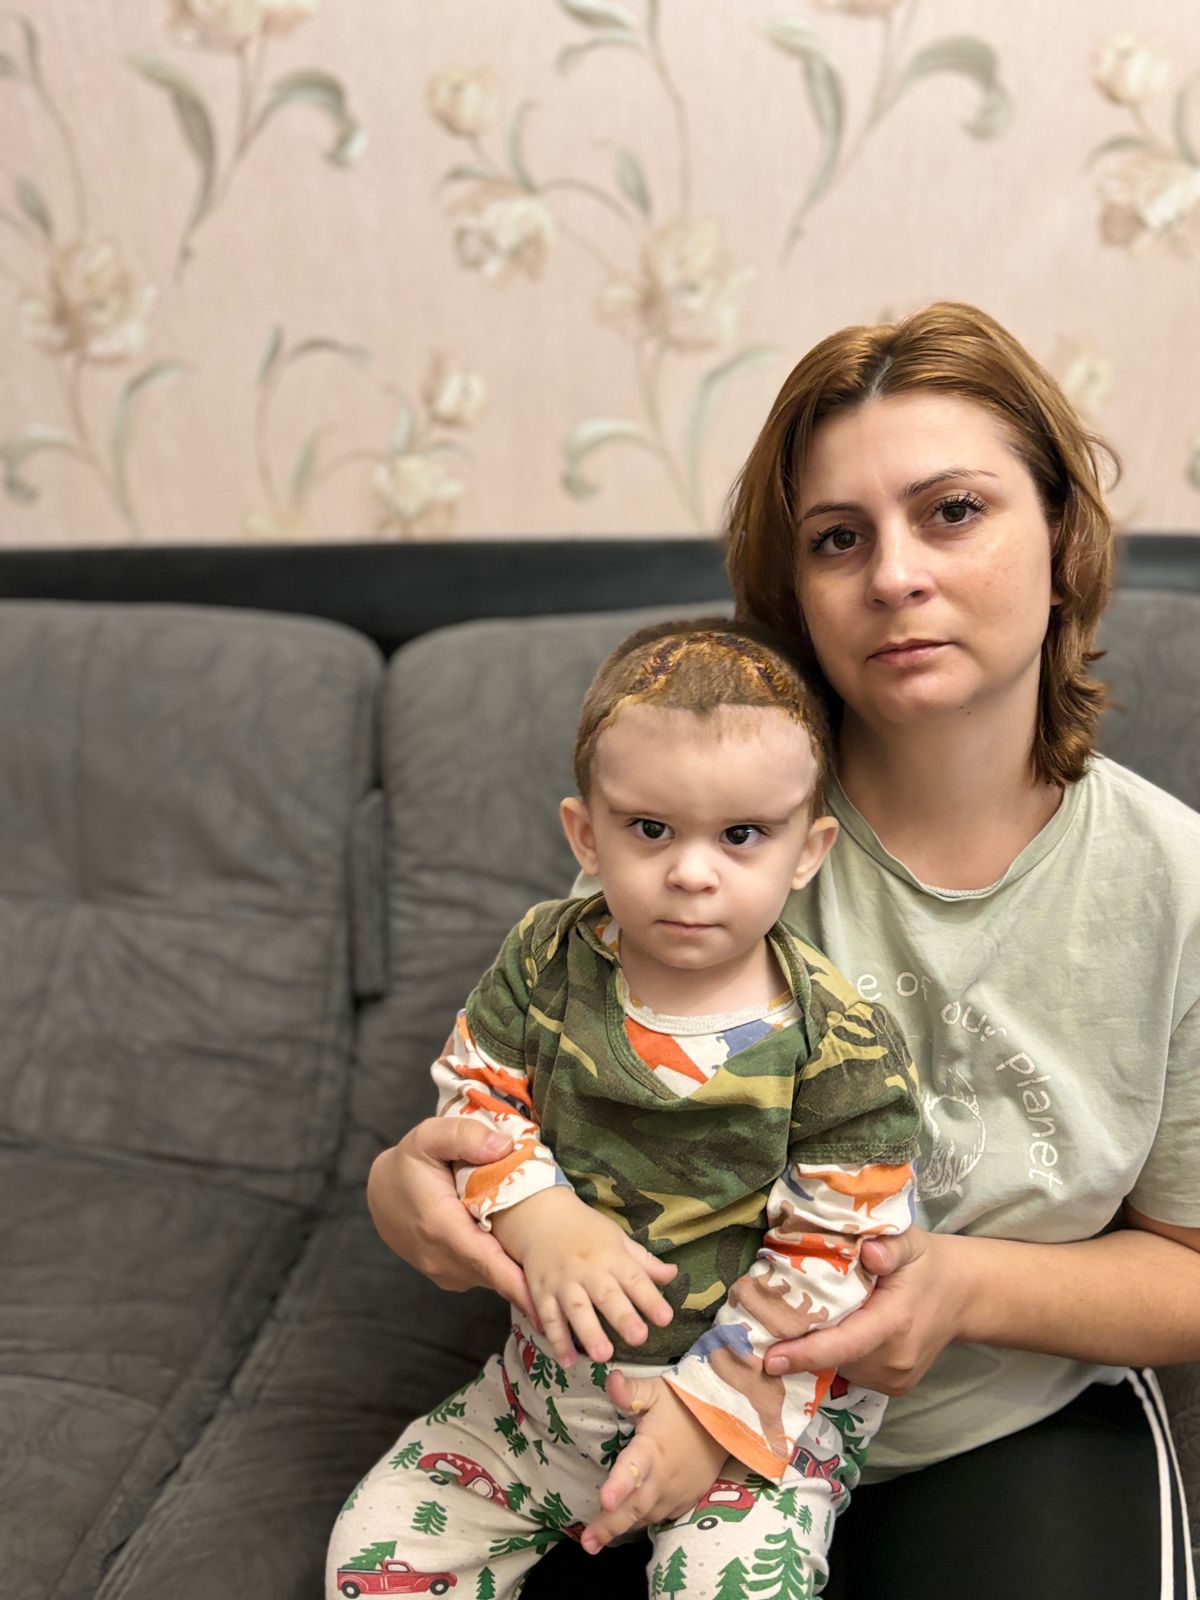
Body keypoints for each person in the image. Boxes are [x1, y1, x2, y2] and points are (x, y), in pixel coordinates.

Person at [363, 302, 1200, 1599]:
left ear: (1063, 541)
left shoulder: (1175, 885)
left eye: (954, 511)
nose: (895, 576)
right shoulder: (705, 829)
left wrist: (964, 1288)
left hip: (988, 1424)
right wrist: (405, 1191)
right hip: (648, 1422)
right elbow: (511, 1111)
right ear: (795, 592)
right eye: (837, 538)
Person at [328, 620, 921, 1599]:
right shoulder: (544, 959)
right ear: (585, 836)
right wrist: (536, 1212)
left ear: (808, 851)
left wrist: (710, 1416)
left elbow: (840, 1247)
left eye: (742, 835)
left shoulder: (841, 1044)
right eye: (650, 829)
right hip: (540, 1408)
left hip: (746, 1426)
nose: (692, 871)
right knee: (374, 1552)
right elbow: (476, 1089)